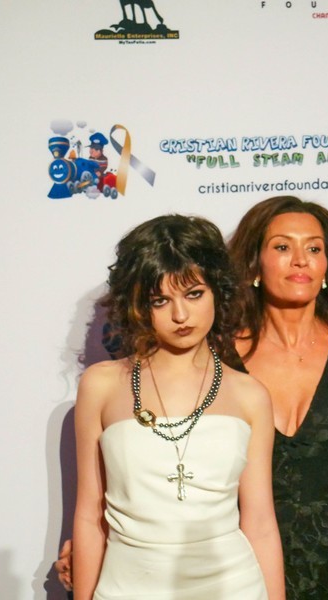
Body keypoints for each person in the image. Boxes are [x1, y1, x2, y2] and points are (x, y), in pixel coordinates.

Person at [71, 215, 285, 600]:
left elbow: (261, 523)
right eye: (160, 300)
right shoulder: (101, 385)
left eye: (194, 294)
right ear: (139, 305)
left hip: (233, 589)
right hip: (127, 590)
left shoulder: (250, 394)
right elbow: (89, 516)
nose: (180, 315)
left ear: (217, 291)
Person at [228, 196, 328, 599]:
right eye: (282, 247)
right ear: (254, 265)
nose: (301, 260)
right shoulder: (220, 359)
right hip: (241, 563)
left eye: (314, 249)